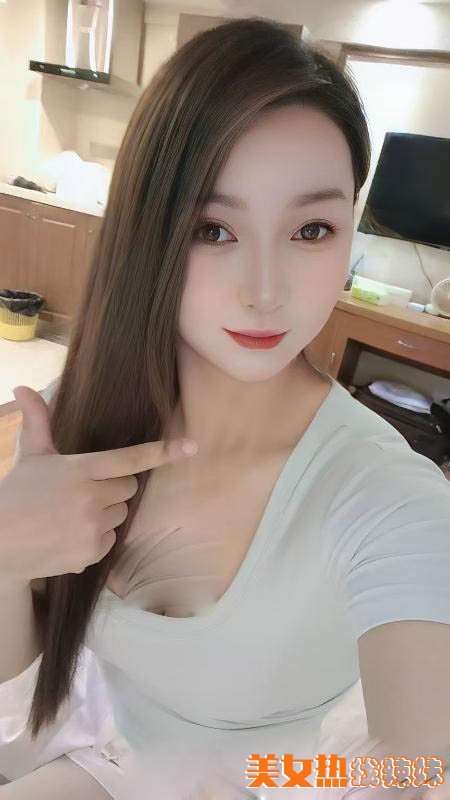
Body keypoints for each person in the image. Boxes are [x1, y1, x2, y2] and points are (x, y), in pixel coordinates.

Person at [1, 15, 450, 800]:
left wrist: (269, 780)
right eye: (213, 229)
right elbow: (20, 697)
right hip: (96, 762)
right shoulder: (87, 407)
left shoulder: (386, 496)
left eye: (311, 229)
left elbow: (418, 764)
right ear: (148, 233)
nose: (265, 291)